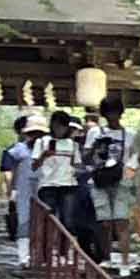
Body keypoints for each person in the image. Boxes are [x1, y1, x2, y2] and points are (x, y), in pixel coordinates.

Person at [81, 93, 140, 267]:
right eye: (108, 112)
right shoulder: (95, 132)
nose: (111, 116)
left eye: (114, 112)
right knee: (104, 222)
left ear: (120, 113)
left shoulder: (130, 134)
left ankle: (124, 260)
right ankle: (106, 257)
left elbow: (136, 158)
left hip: (121, 178)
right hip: (100, 178)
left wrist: (130, 178)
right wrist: (96, 146)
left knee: (121, 221)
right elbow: (85, 158)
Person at [38, 109, 97, 264]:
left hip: (68, 185)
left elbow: (76, 164)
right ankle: (45, 254)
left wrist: (85, 171)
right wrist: (44, 155)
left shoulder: (72, 145)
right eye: (56, 126)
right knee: (48, 220)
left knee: (68, 221)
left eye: (62, 126)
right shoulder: (42, 142)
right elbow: (34, 165)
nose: (59, 129)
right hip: (47, 185)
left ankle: (63, 253)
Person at [0, 119, 43, 246]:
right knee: (24, 220)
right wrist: (12, 191)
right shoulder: (16, 150)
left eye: (39, 134)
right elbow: (8, 172)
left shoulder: (48, 149)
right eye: (33, 133)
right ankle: (25, 250)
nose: (36, 136)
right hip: (24, 189)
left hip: (44, 189)